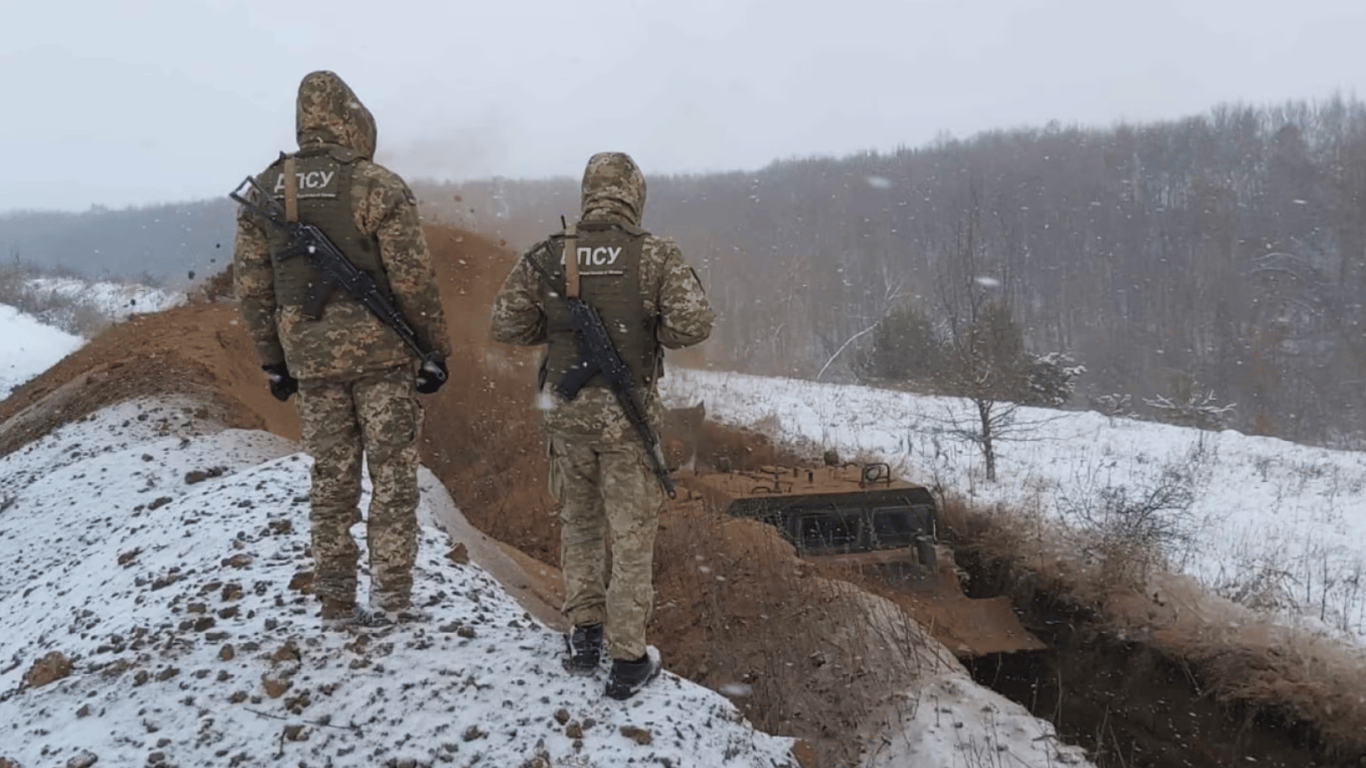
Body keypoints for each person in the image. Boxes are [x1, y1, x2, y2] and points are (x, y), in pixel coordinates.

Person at [490, 151, 715, 700]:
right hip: (627, 425)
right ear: (634, 196)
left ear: (589, 193)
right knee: (632, 537)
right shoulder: (654, 256)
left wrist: (558, 319)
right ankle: (628, 657)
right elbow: (694, 325)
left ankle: (585, 634)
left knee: (580, 525)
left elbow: (506, 323)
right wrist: (648, 320)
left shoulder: (550, 256)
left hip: (567, 423)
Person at [233, 70, 451, 629]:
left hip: (311, 366)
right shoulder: (376, 184)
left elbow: (253, 290)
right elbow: (414, 281)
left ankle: (334, 600)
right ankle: (393, 600)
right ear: (351, 119)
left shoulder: (266, 191)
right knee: (394, 483)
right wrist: (434, 350)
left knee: (331, 484)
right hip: (383, 363)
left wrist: (273, 363)